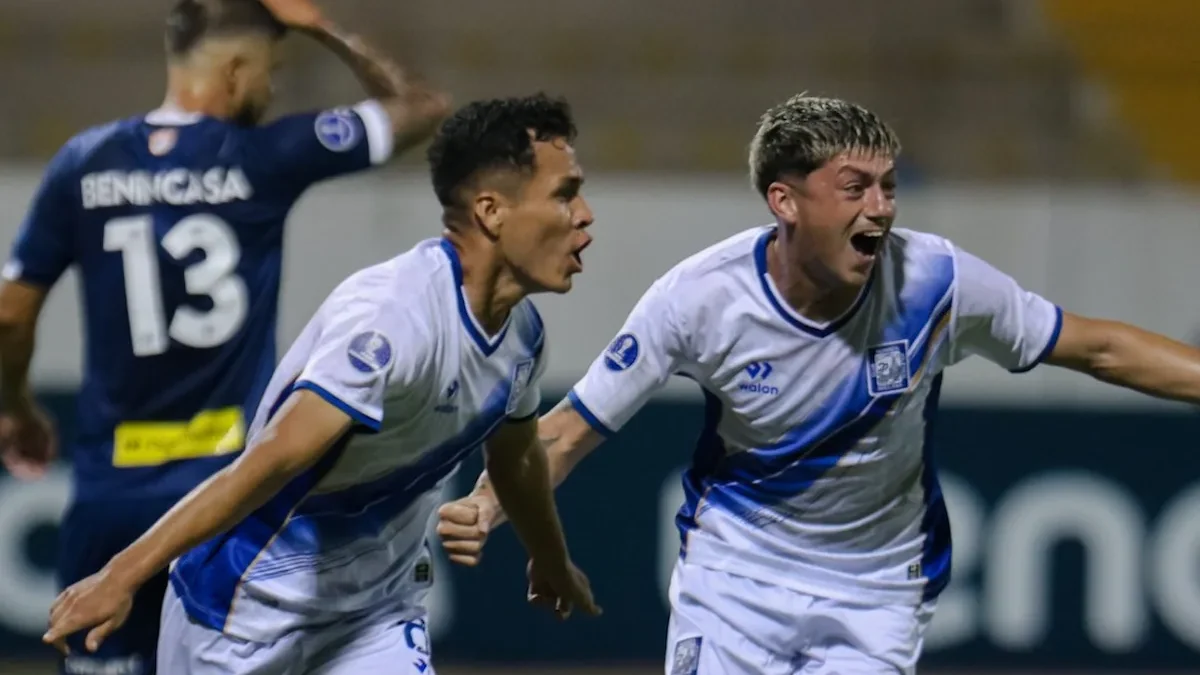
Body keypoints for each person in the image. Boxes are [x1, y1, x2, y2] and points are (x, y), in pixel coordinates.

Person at [436, 94, 1200, 674]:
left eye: (888, 186)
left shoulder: (936, 281)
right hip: (736, 575)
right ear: (785, 200)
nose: (881, 208)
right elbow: (570, 428)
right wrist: (488, 502)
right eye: (855, 186)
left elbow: (1097, 347)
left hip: (877, 586)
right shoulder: (699, 299)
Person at [42, 92, 601, 674]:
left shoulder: (522, 338)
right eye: (565, 194)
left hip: (374, 617)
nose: (585, 215)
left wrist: (550, 557)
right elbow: (272, 460)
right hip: (238, 618)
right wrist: (121, 575)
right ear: (491, 211)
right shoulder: (393, 317)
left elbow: (516, 458)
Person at [0, 0, 448, 671]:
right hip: (228, 505)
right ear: (236, 72)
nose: (271, 88)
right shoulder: (265, 157)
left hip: (108, 499)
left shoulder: (84, 164)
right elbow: (422, 107)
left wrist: (16, 406)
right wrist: (322, 28)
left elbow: (9, 314)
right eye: (270, 71)